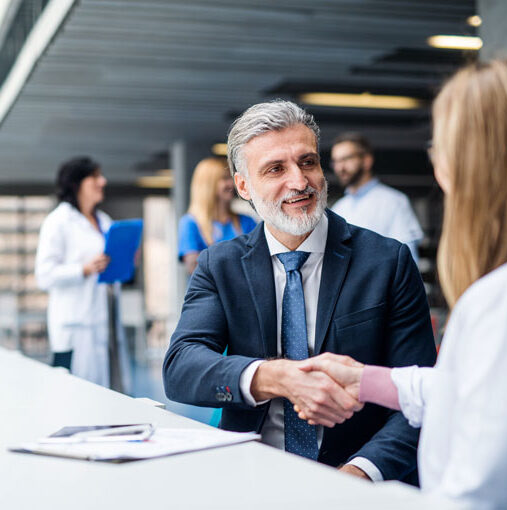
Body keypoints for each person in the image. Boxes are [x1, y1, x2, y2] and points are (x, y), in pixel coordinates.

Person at [299, 53, 507, 509]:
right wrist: (367, 380)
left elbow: (473, 498)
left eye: (440, 147)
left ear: (477, 165)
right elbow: (492, 393)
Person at [163, 100, 436, 482]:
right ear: (243, 186)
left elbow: (419, 396)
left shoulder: (387, 262)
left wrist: (359, 474)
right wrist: (275, 378)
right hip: (251, 475)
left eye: (308, 162)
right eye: (276, 168)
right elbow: (181, 368)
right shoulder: (220, 266)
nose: (300, 181)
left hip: (359, 477)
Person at [36, 156, 118, 387]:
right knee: (74, 392)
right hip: (74, 325)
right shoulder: (58, 222)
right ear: (76, 184)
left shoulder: (104, 221)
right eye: (95, 177)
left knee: (105, 393)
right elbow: (44, 275)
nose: (103, 181)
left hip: (103, 321)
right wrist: (83, 269)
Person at [330, 133, 423, 262]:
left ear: (367, 161)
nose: (340, 167)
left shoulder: (394, 202)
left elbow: (408, 259)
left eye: (347, 159)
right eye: (336, 161)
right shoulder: (338, 208)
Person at [178, 157, 257, 274]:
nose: (231, 183)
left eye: (231, 177)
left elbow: (258, 260)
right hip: (210, 292)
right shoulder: (190, 223)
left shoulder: (246, 221)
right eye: (225, 178)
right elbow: (194, 268)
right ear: (208, 185)